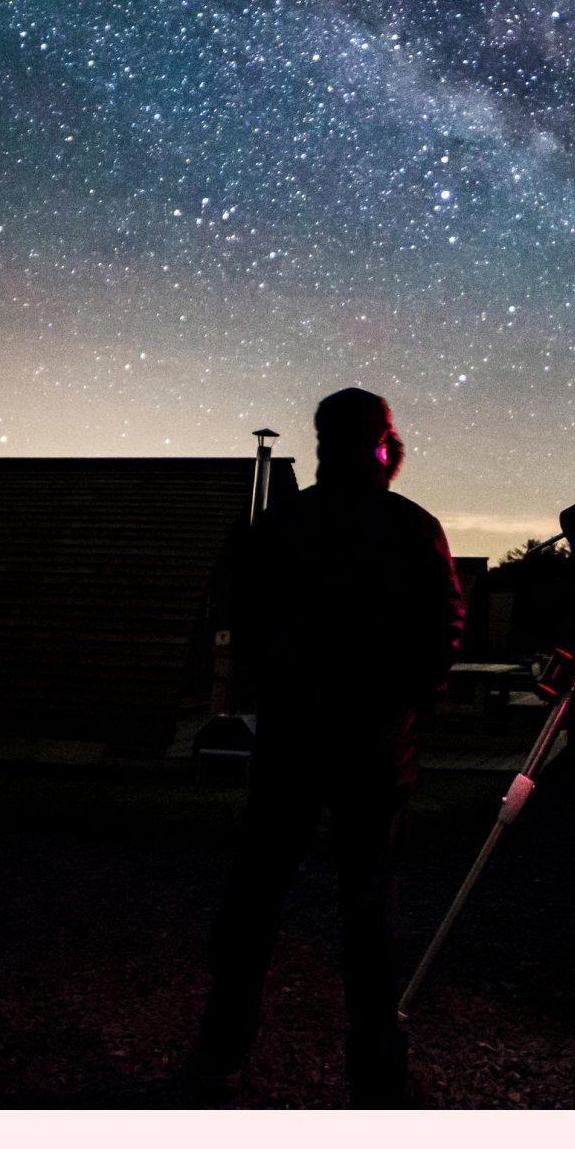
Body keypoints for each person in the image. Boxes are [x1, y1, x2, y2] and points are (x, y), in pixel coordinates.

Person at [192, 388, 464, 1107]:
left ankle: (221, 1051)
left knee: (255, 895)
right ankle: (376, 1070)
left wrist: (279, 685)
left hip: (291, 735)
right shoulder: (411, 527)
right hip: (375, 745)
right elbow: (445, 628)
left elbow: (238, 611)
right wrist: (412, 704)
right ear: (383, 446)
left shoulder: (280, 523)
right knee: (369, 909)